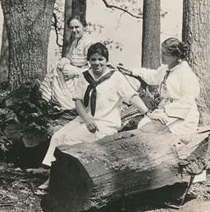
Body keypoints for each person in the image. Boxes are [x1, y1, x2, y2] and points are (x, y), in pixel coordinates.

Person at [38, 42, 164, 190]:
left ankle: (56, 181)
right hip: (86, 118)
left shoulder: (116, 77)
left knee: (69, 140)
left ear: (106, 60)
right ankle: (52, 175)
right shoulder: (84, 76)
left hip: (105, 124)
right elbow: (78, 101)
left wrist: (148, 113)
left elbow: (132, 97)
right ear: (88, 61)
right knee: (58, 136)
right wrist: (87, 118)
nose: (97, 63)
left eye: (100, 59)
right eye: (93, 59)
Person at [117, 37, 200, 137]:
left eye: (165, 54)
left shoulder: (186, 74)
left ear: (175, 56)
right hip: (166, 110)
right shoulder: (167, 69)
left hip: (182, 116)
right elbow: (153, 76)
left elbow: (187, 101)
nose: (162, 56)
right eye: (162, 52)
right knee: (144, 124)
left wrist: (166, 111)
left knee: (150, 129)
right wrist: (131, 71)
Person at [39, 16, 97, 110]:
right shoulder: (75, 42)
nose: (74, 30)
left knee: (57, 70)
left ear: (84, 27)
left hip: (85, 80)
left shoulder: (89, 43)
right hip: (74, 76)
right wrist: (65, 60)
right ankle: (45, 97)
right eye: (71, 28)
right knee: (56, 66)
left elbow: (95, 70)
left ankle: (62, 102)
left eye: (77, 27)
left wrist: (75, 72)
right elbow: (70, 58)